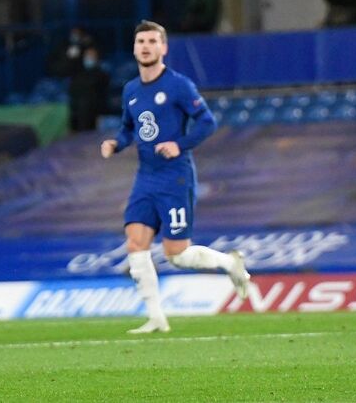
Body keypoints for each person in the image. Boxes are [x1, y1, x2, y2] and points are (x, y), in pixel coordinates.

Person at [100, 21, 250, 334]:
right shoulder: (131, 90)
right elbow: (128, 128)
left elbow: (207, 122)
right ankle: (156, 318)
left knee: (177, 255)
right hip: (146, 177)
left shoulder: (178, 85)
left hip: (175, 177)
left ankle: (230, 263)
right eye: (141, 41)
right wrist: (116, 143)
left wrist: (178, 144)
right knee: (135, 243)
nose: (146, 47)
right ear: (134, 48)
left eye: (152, 41)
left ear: (163, 48)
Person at [68, 46, 110, 132]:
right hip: (79, 115)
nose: (89, 58)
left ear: (97, 58)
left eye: (92, 56)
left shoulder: (102, 76)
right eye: (87, 56)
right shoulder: (77, 75)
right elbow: (73, 92)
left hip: (97, 114)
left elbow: (102, 96)